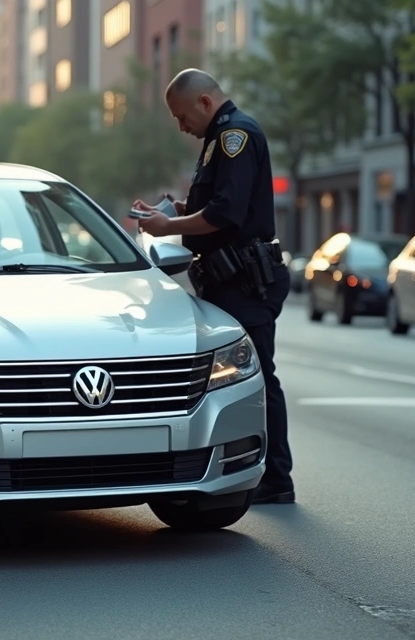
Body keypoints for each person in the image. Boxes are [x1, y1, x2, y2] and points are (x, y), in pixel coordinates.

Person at [135, 69, 294, 505]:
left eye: (182, 116)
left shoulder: (234, 136)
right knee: (242, 379)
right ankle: (251, 471)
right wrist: (177, 210)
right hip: (230, 278)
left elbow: (227, 214)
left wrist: (170, 224)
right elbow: (216, 206)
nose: (181, 126)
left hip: (245, 281)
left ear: (205, 103)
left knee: (258, 378)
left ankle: (276, 478)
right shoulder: (219, 139)